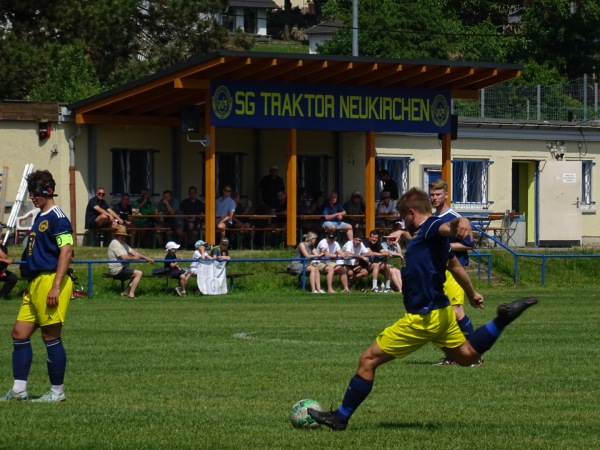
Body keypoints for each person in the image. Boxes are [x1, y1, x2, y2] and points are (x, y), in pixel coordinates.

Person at [307, 188, 538, 430]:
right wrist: (472, 294)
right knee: (469, 355)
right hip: (443, 314)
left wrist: (464, 220)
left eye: (403, 218)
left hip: (423, 317)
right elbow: (456, 267)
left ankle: (340, 418)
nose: (403, 222)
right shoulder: (431, 241)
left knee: (367, 360)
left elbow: (448, 226)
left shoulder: (430, 228)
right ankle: (502, 320)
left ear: (412, 212)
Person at [1, 169, 74, 403]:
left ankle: (57, 392)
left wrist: (55, 286)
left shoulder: (58, 217)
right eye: (31, 192)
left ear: (49, 191)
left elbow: (66, 251)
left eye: (36, 192)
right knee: (19, 333)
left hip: (51, 280)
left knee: (50, 336)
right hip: (35, 283)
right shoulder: (40, 216)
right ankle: (19, 390)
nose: (32, 197)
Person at [429, 178, 478, 366]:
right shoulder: (434, 219)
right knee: (443, 315)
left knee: (457, 312)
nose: (434, 198)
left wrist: (445, 245)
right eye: (432, 194)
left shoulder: (454, 218)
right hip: (439, 272)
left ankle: (474, 355)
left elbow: (468, 245)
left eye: (438, 194)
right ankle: (453, 357)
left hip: (453, 271)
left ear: (446, 195)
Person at [107, 226, 154, 299]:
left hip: (123, 268)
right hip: (117, 270)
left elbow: (133, 252)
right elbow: (123, 257)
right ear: (117, 235)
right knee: (139, 273)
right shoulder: (115, 243)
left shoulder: (123, 243)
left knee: (136, 274)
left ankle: (126, 292)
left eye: (124, 236)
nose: (123, 237)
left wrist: (146, 258)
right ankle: (131, 294)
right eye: (121, 236)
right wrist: (135, 258)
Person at [0, 235, 19, 300]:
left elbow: (5, 257)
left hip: (1, 271)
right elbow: (4, 259)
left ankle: (2, 296)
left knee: (12, 278)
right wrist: (4, 260)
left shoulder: (3, 248)